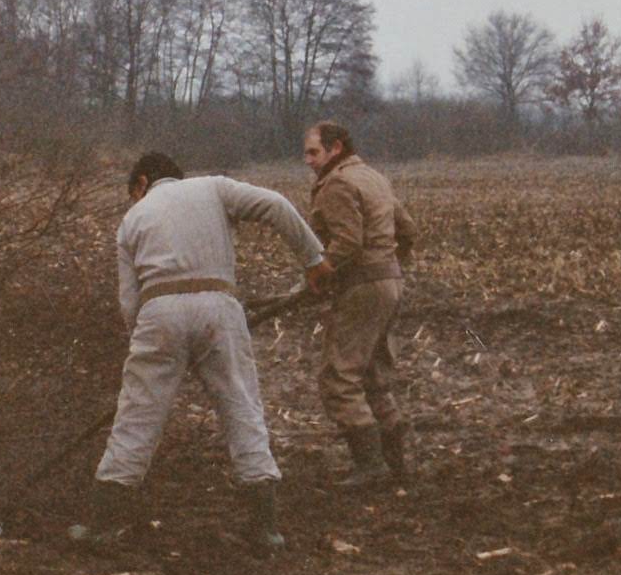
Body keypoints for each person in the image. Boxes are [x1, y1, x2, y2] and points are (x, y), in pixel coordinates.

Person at [85, 151, 331, 551]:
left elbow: (129, 303)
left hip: (157, 311)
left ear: (142, 183)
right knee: (241, 407)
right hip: (220, 308)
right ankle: (266, 528)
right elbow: (276, 205)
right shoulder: (214, 187)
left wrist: (149, 350)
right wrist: (313, 259)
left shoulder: (132, 219)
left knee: (136, 417)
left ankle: (102, 524)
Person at [302, 121, 419, 489]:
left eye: (313, 152)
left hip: (363, 286)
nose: (307, 160)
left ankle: (372, 466)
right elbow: (409, 231)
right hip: (390, 283)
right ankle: (394, 462)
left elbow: (348, 243)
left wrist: (319, 273)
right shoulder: (373, 177)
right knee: (372, 373)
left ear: (335, 148)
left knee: (339, 376)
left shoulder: (336, 184)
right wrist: (389, 265)